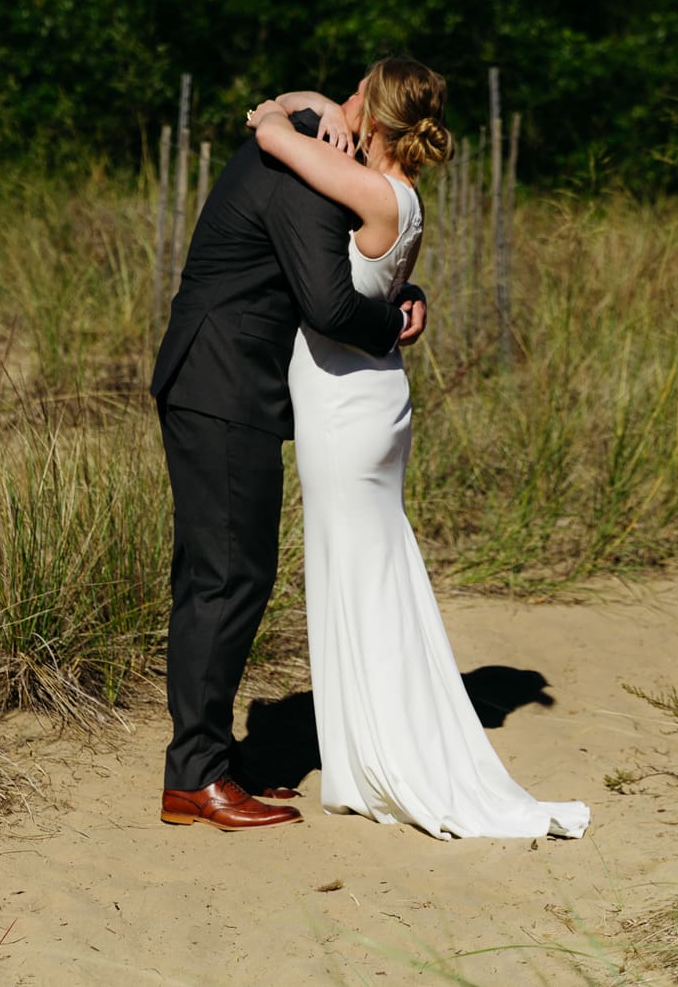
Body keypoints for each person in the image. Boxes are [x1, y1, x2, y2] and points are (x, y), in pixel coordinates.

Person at [246, 57, 591, 840]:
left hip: (345, 409)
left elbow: (272, 133)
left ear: (375, 114)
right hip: (371, 400)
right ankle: (364, 747)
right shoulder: (401, 193)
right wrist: (306, 105)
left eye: (356, 91)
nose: (342, 100)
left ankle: (379, 755)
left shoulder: (368, 189)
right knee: (363, 571)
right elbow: (300, 105)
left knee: (358, 579)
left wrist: (277, 115)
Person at [150, 74, 427, 831]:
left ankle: (207, 759)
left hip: (218, 379)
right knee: (228, 576)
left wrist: (404, 289)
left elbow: (333, 269)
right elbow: (330, 303)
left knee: (222, 571)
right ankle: (195, 776)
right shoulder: (302, 163)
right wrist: (393, 319)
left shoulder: (303, 130)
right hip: (222, 384)